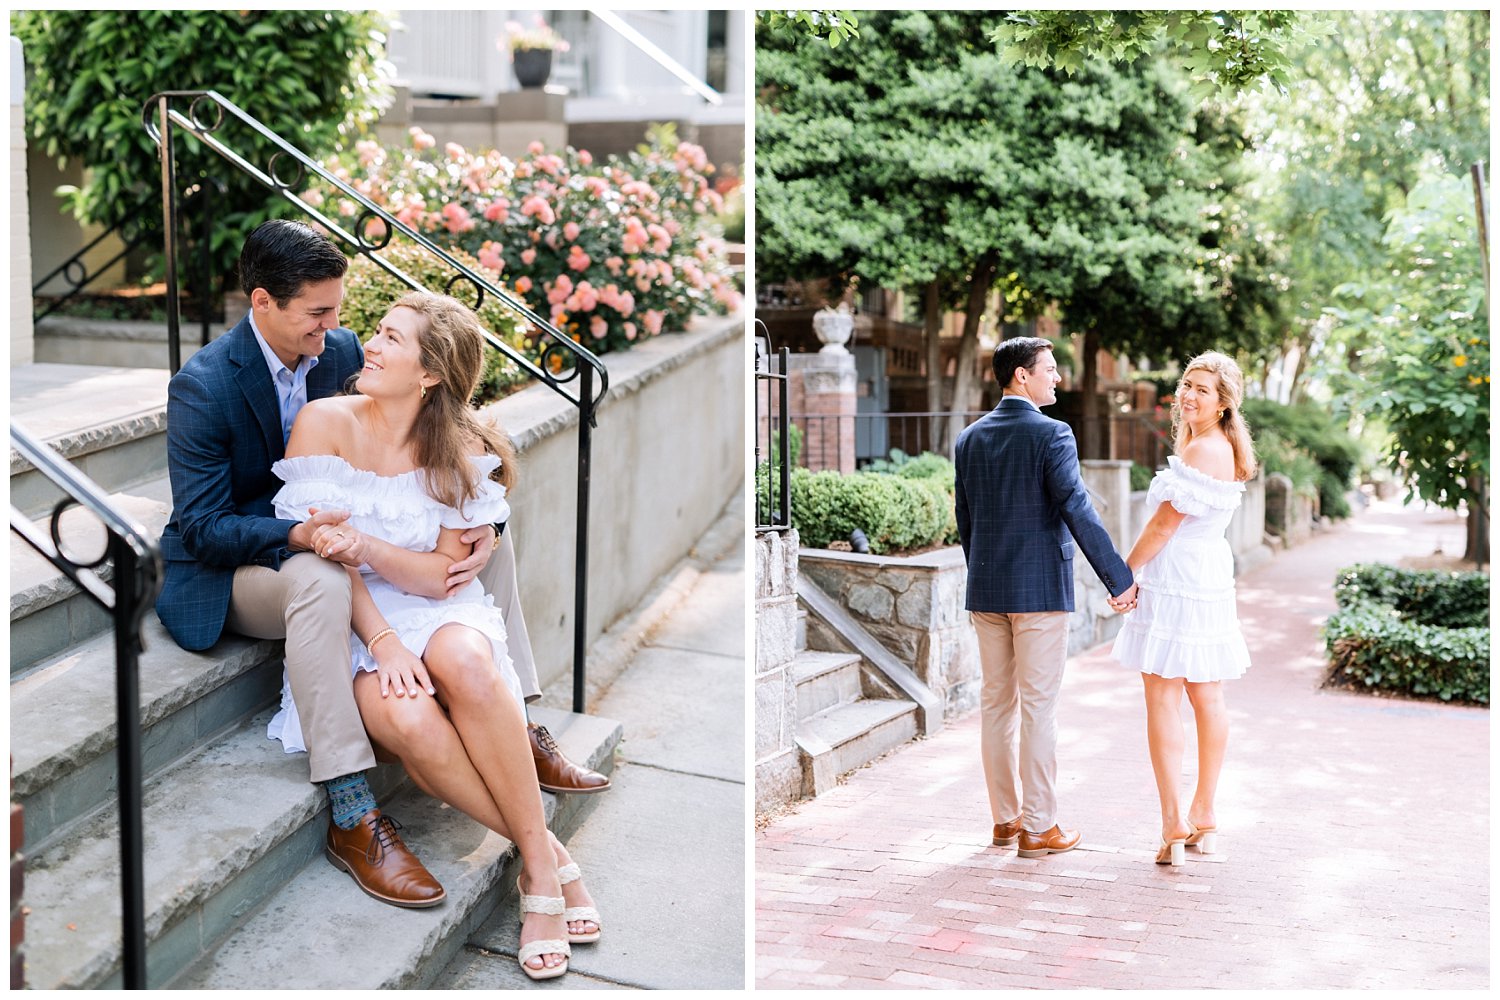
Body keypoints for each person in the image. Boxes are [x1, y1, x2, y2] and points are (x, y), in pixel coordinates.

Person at [155, 220, 605, 913]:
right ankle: (350, 805)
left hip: (339, 542)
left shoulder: (338, 352)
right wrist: (303, 534)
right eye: (320, 313)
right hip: (240, 562)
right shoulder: (205, 385)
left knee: (484, 533)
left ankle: (518, 719)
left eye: (339, 310)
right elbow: (206, 528)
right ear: (263, 303)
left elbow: (440, 440)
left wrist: (486, 522)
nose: (339, 328)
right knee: (320, 571)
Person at [270, 291, 598, 981]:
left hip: (434, 604)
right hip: (356, 621)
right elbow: (329, 562)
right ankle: (547, 857)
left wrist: (368, 543)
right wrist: (384, 640)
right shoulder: (323, 421)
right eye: (377, 332)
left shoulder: (461, 449)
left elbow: (441, 576)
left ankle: (536, 868)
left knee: (467, 662)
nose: (370, 347)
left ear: (429, 375)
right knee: (413, 721)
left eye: (390, 338)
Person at [954, 337, 1138, 859]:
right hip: (1038, 594)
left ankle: (1005, 822)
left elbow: (965, 521)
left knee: (996, 707)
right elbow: (1078, 508)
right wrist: (1119, 579)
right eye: (1049, 370)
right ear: (1020, 376)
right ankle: (1040, 828)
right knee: (1038, 710)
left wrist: (983, 576)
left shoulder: (970, 438)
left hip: (986, 591)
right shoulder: (1052, 434)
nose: (1057, 378)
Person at [1111, 351, 1255, 867]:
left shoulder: (1201, 452)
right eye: (1187, 385)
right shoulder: (1225, 448)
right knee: (1206, 695)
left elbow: (1162, 527)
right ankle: (1205, 811)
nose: (1189, 395)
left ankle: (1175, 819)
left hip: (1179, 577)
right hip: (1208, 575)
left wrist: (1123, 573)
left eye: (1202, 389)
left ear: (1222, 404)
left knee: (1164, 698)